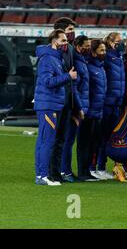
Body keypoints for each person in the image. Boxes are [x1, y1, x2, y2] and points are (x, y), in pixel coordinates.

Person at [34, 29, 77, 185]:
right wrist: (68, 76)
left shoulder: (56, 58)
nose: (66, 44)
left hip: (52, 104)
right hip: (48, 105)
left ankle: (41, 175)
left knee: (44, 140)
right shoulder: (47, 59)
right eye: (63, 41)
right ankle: (42, 176)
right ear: (54, 41)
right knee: (47, 141)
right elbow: (48, 82)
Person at [49, 17, 78, 182]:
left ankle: (57, 171)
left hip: (67, 99)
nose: (72, 34)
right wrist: (68, 76)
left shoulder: (70, 49)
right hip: (55, 100)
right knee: (53, 138)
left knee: (61, 138)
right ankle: (48, 172)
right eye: (69, 30)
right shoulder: (51, 53)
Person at [94, 32, 126, 180]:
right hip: (107, 102)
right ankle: (97, 167)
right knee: (102, 136)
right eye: (119, 41)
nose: (121, 43)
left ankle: (107, 166)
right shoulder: (107, 56)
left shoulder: (119, 57)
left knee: (112, 136)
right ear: (111, 42)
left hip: (116, 102)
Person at [61, 35, 90, 182]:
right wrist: (78, 109)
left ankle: (66, 171)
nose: (88, 48)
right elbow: (75, 88)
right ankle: (65, 171)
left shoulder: (82, 61)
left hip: (80, 106)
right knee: (68, 140)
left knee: (70, 140)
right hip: (75, 108)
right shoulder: (77, 63)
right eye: (86, 46)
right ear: (78, 47)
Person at [77, 40, 107, 182]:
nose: (104, 53)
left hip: (98, 111)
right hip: (88, 112)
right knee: (84, 143)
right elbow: (84, 89)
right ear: (93, 53)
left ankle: (87, 170)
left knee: (94, 143)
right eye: (101, 50)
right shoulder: (88, 67)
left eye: (105, 50)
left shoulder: (100, 68)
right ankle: (82, 172)